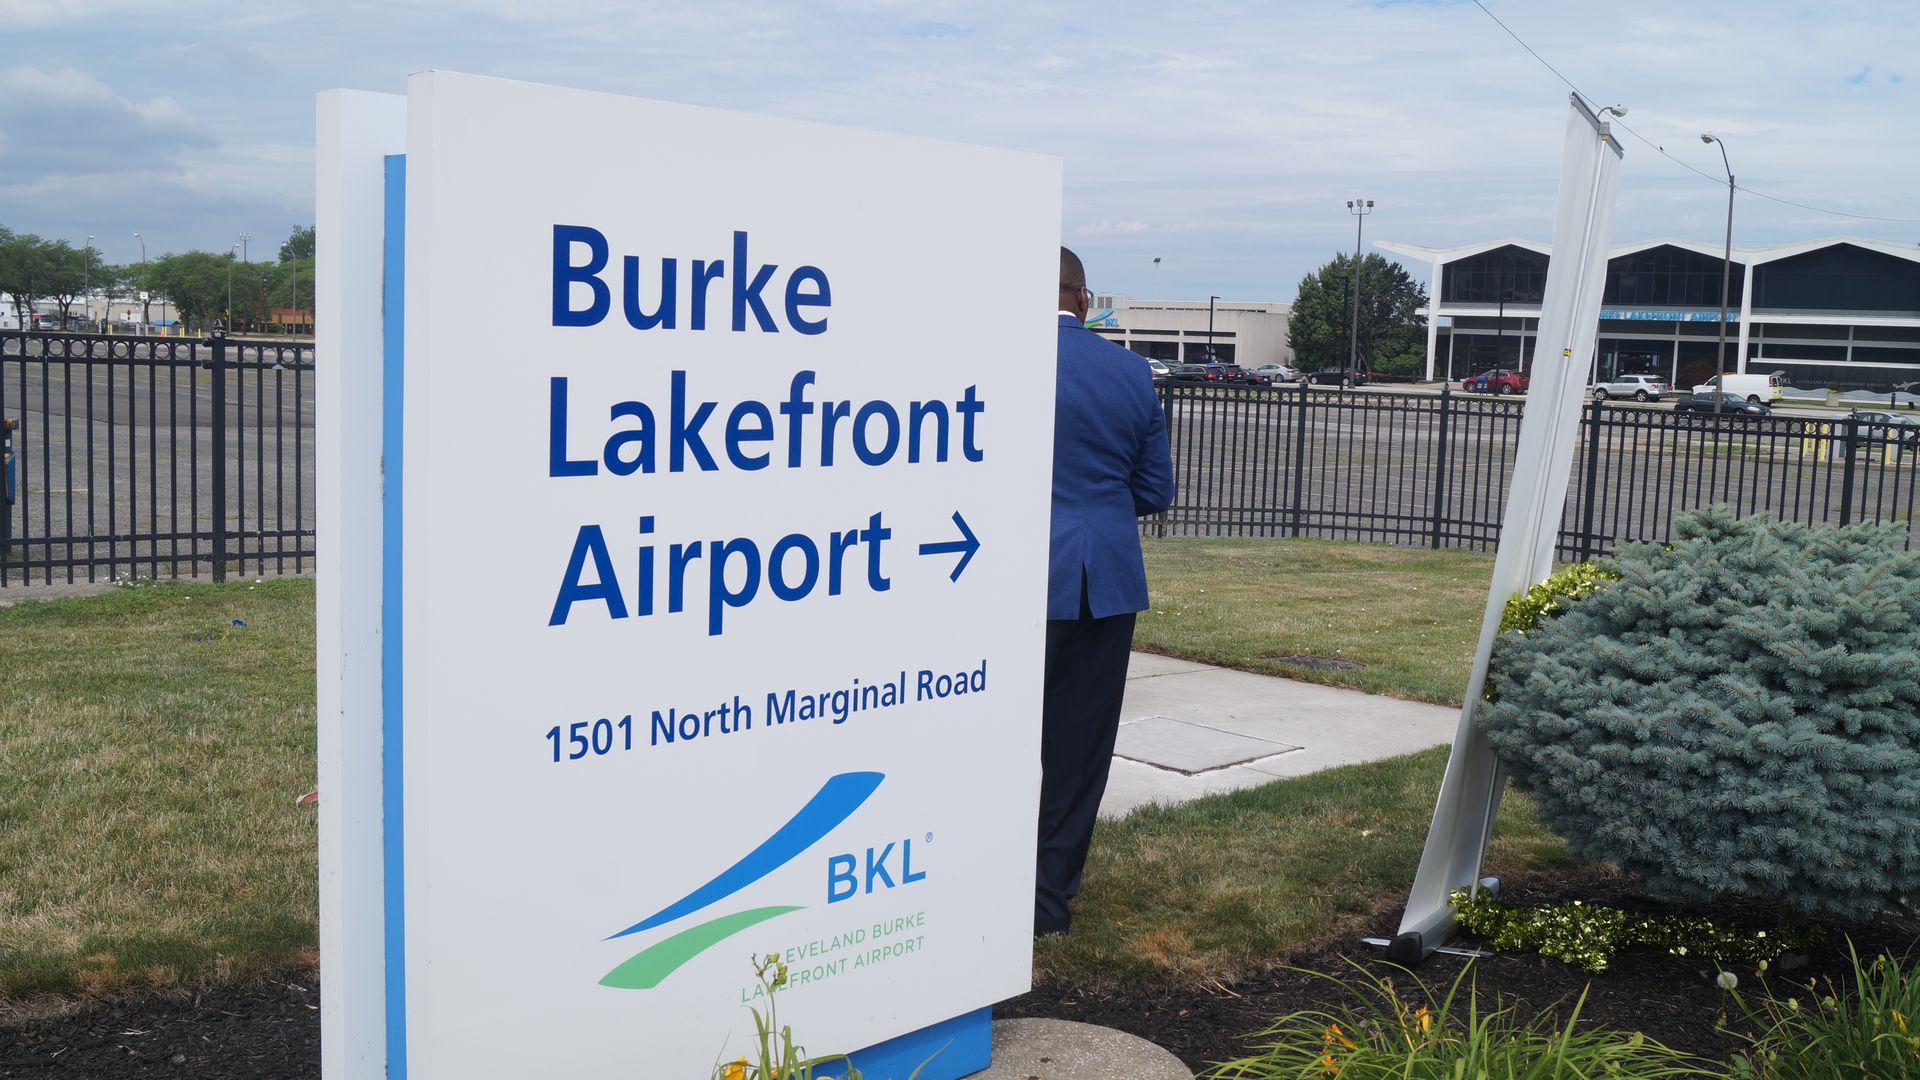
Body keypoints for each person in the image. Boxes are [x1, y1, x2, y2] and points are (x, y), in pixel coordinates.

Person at [1036, 247, 1175, 936]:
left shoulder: (1002, 367)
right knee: (1079, 748)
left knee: (1004, 739)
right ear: (1084, 300)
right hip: (1109, 584)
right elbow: (1156, 490)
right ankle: (1049, 901)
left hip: (1023, 580)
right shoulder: (1131, 372)